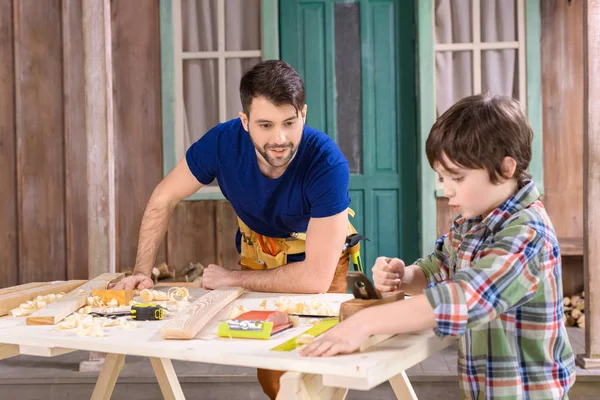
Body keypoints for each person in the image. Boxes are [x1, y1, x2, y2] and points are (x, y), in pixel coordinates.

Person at [300, 93, 576, 399]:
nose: (446, 190)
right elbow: (440, 268)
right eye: (442, 177)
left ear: (505, 168)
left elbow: (465, 296)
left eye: (456, 177)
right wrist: (405, 276)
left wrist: (365, 322)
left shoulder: (528, 233)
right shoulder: (474, 219)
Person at [111, 60, 359, 399]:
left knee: (319, 367)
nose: (280, 139)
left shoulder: (326, 162)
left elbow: (314, 278)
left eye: (290, 122)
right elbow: (162, 198)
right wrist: (142, 272)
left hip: (323, 262)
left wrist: (232, 279)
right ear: (244, 122)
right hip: (260, 257)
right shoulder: (222, 143)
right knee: (272, 372)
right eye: (265, 125)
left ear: (304, 114)